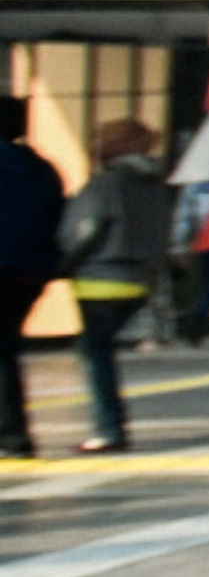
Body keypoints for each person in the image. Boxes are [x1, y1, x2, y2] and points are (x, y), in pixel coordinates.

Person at [56, 118, 175, 455]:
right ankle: (111, 427)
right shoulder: (155, 185)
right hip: (139, 279)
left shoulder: (106, 184)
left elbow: (88, 227)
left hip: (100, 278)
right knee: (99, 351)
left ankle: (108, 429)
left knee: (95, 355)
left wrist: (62, 264)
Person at [0, 94, 67, 460]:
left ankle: (12, 434)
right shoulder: (43, 169)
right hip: (29, 272)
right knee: (6, 348)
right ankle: (14, 433)